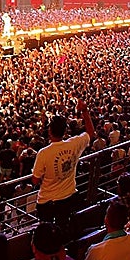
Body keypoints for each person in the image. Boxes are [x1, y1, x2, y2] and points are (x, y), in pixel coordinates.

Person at [32, 99, 94, 234]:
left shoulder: (43, 153)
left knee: (47, 233)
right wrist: (84, 110)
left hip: (47, 202)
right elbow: (90, 133)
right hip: (68, 197)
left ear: (49, 131)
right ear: (65, 131)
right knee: (63, 228)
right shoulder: (74, 144)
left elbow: (35, 180)